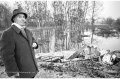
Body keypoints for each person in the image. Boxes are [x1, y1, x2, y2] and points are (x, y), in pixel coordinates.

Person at [0, 8, 39, 78]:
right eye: (20, 17)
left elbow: (33, 40)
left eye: (24, 17)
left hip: (32, 69)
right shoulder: (8, 34)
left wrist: (35, 44)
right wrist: (13, 72)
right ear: (14, 19)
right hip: (22, 73)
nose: (23, 19)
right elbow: (6, 55)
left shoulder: (28, 31)